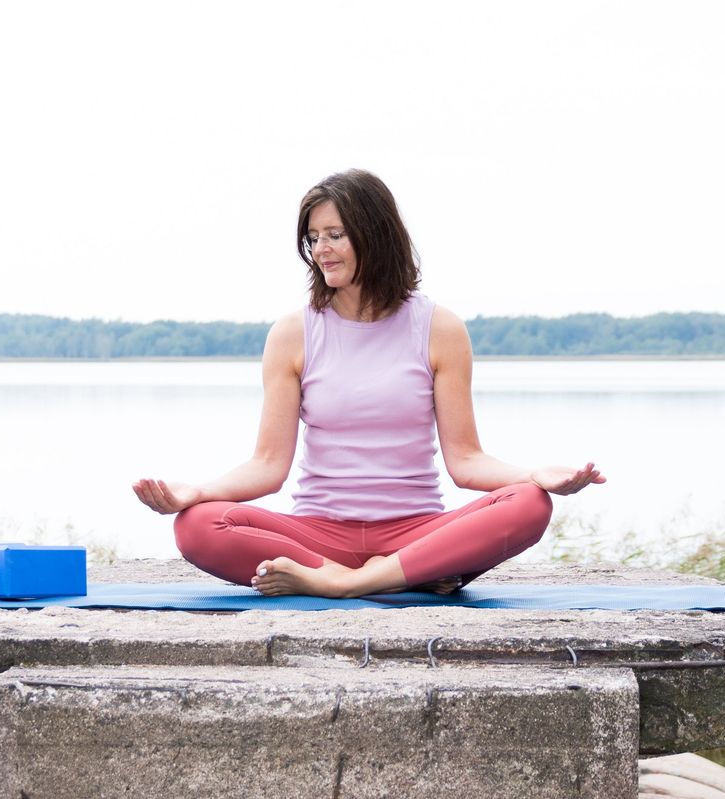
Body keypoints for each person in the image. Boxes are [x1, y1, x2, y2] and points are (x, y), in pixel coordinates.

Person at [132, 169, 604, 599]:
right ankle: (389, 575)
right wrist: (196, 492)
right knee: (196, 525)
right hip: (317, 533)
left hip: (415, 531)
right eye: (314, 238)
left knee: (529, 504)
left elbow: (466, 461)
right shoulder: (293, 334)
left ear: (375, 235)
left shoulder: (440, 329)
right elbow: (268, 465)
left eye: (336, 235)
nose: (321, 250)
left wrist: (533, 475)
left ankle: (345, 583)